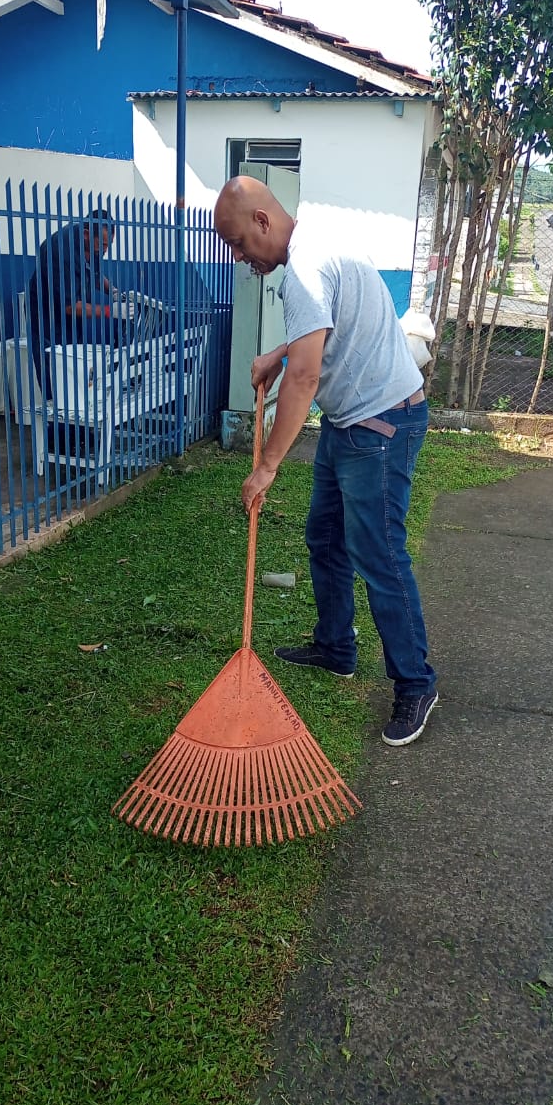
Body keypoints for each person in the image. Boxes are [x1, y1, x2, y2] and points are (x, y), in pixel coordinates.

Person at [213, 175, 438, 746]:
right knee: (326, 538)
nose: (239, 257)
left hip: (380, 424)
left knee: (380, 555)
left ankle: (416, 683)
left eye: (239, 243)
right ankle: (336, 647)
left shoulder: (303, 272)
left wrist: (266, 468)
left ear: (263, 221)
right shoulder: (317, 248)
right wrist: (278, 352)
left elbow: (307, 378)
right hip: (353, 421)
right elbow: (322, 333)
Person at [26, 209, 132, 401]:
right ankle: (57, 426)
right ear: (86, 235)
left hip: (71, 319)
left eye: (109, 246)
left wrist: (114, 292)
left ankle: (79, 425)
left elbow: (96, 275)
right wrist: (111, 310)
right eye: (104, 245)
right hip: (46, 317)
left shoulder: (94, 245)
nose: (105, 251)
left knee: (76, 367)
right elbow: (69, 306)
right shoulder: (59, 251)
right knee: (53, 372)